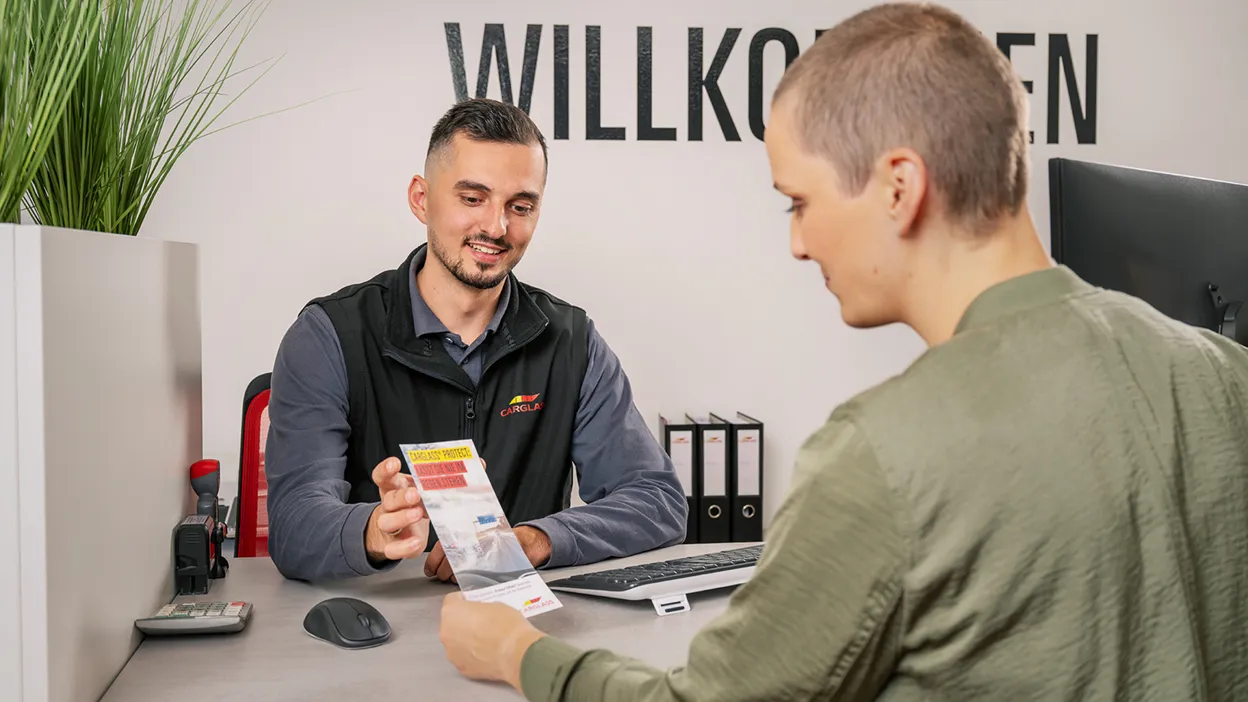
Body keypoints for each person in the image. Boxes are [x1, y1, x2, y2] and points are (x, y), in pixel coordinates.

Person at [435, 3, 1248, 700]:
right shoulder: (1227, 379)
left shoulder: (885, 452)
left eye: (800, 201)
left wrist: (518, 653)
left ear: (898, 186)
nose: (796, 242)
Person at [264, 97, 688, 582]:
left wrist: (535, 541)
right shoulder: (328, 335)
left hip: (525, 634)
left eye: (520, 206)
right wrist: (373, 531)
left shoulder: (572, 341)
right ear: (421, 199)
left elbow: (658, 501)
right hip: (376, 631)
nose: (496, 226)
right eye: (472, 199)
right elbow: (294, 525)